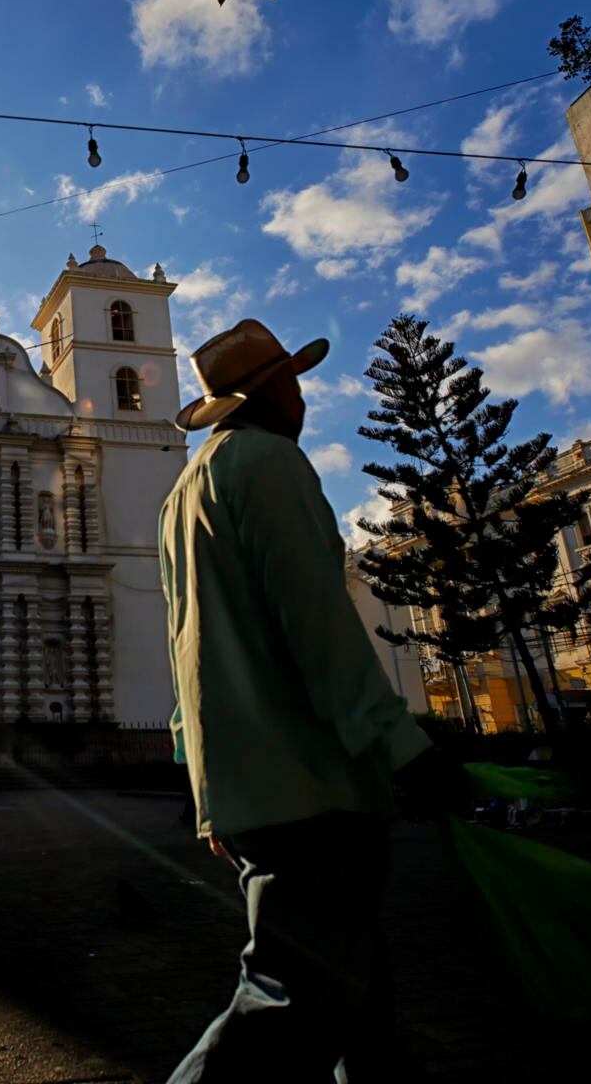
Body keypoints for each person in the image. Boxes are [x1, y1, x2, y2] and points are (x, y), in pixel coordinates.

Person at [160, 319, 465, 1083]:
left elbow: (182, 649)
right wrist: (403, 748)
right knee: (287, 1002)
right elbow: (320, 626)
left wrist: (203, 782)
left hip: (249, 784)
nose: (301, 395)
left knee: (360, 998)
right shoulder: (270, 463)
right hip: (310, 784)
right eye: (292, 381)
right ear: (270, 392)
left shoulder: (184, 490)